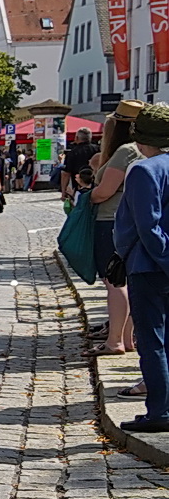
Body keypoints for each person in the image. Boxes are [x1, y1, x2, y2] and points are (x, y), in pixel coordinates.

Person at [113, 104, 169, 433]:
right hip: (157, 262)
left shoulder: (143, 170)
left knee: (152, 341)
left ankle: (160, 410)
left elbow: (148, 227)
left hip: (149, 266)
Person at [92, 111, 141, 357]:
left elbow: (105, 191)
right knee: (128, 280)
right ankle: (127, 337)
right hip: (129, 219)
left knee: (115, 279)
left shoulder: (126, 151)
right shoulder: (144, 150)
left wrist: (88, 196)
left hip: (110, 219)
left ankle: (115, 340)